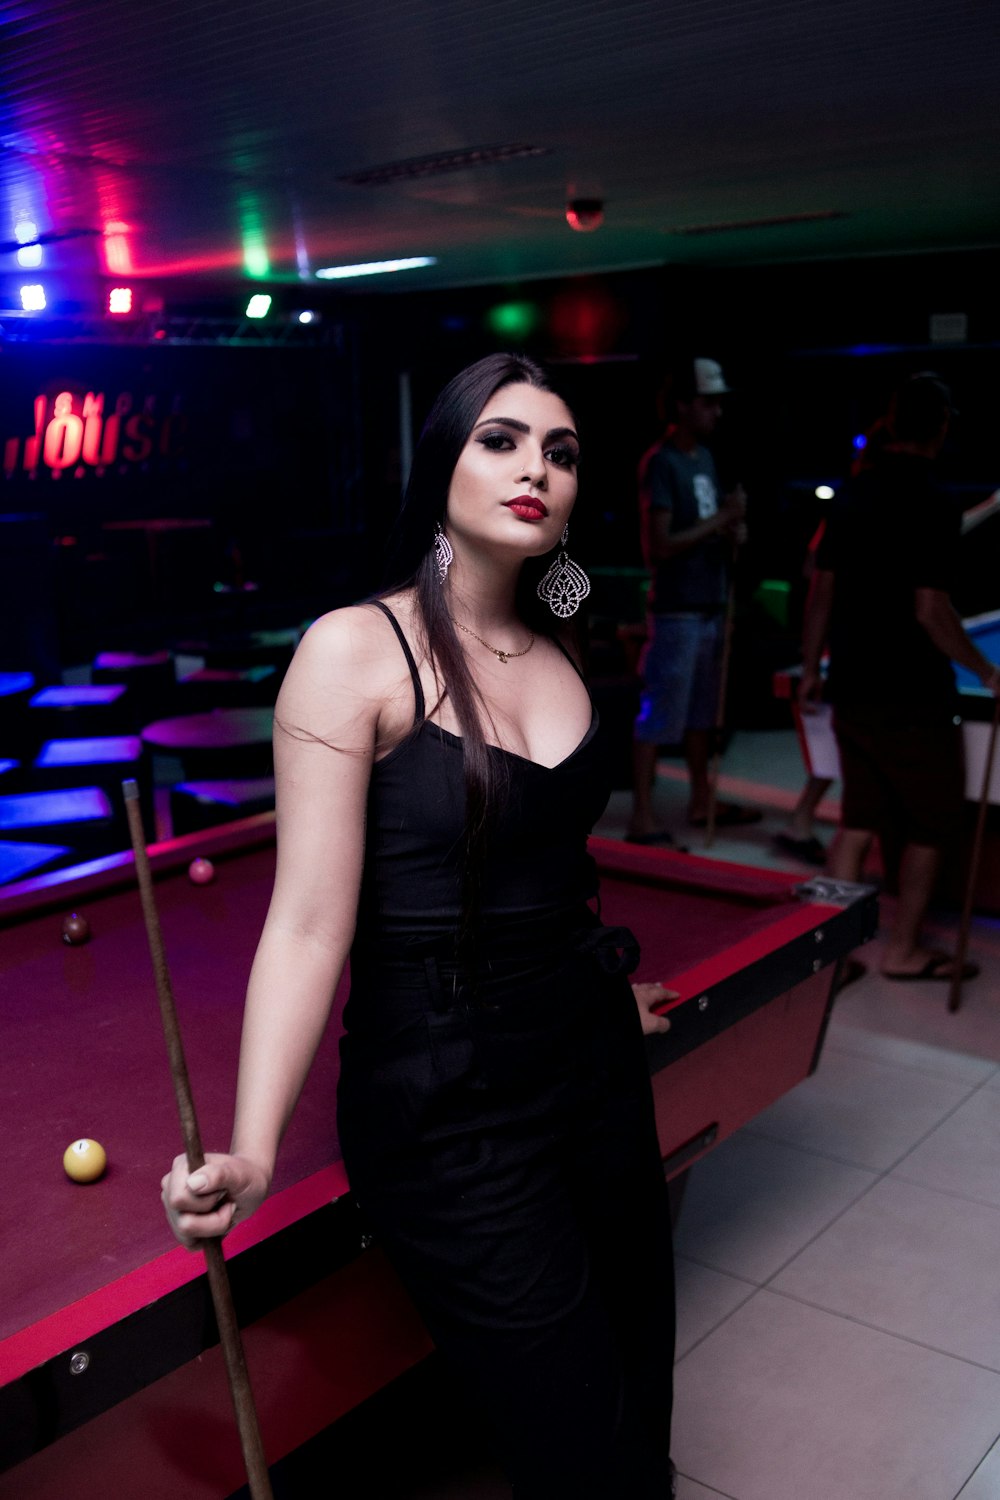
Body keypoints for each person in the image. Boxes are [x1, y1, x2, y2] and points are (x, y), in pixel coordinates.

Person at [162, 354, 679, 1498]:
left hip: (592, 1067)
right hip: (448, 1104)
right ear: (439, 459)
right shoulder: (356, 649)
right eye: (499, 440)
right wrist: (250, 1147)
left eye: (560, 451)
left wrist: (597, 988)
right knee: (591, 1461)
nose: (534, 467)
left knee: (643, 1394)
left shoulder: (568, 640)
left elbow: (550, 864)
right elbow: (304, 925)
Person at [800, 372, 1000, 980]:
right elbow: (932, 612)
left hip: (852, 687)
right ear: (940, 429)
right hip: (914, 696)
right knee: (929, 825)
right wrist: (989, 671)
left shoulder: (854, 496)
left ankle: (826, 956)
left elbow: (821, 591)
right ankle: (904, 950)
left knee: (857, 821)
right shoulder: (935, 504)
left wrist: (811, 668)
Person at [628, 355, 760, 843]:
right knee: (659, 714)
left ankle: (702, 798)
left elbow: (710, 528)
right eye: (707, 404)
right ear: (682, 405)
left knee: (705, 714)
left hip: (710, 605)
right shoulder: (660, 462)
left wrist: (732, 531)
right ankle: (643, 817)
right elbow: (658, 546)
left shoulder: (703, 459)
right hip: (678, 610)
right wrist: (721, 522)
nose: (716, 413)